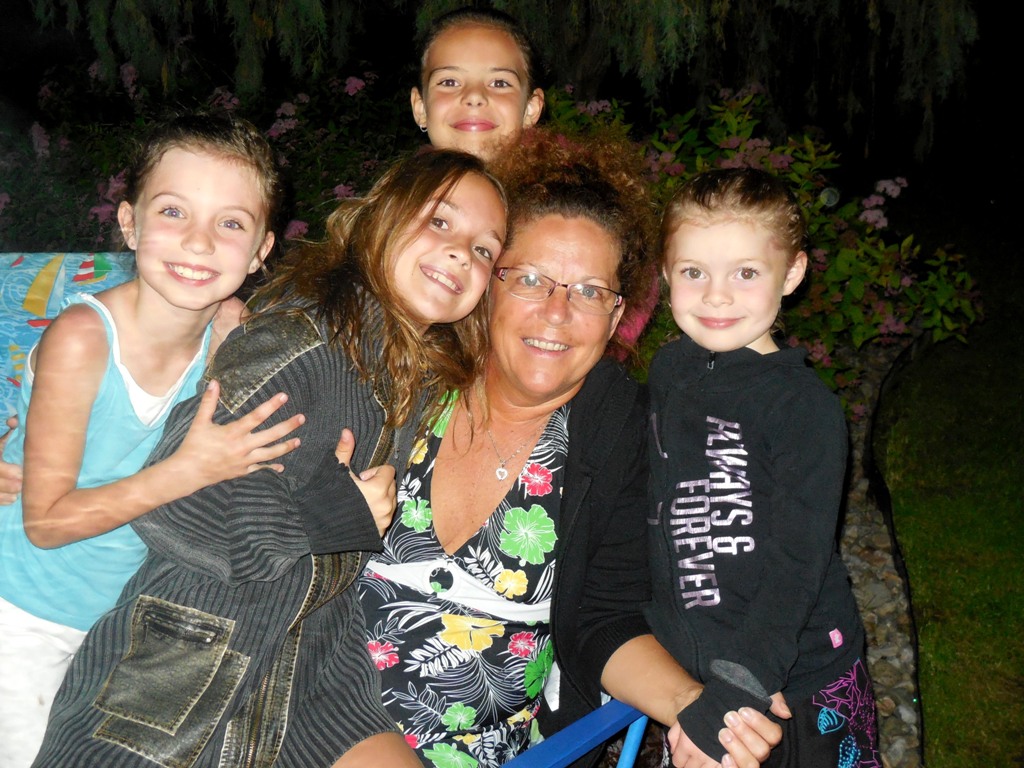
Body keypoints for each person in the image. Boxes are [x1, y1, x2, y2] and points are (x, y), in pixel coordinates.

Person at [32, 147, 507, 768]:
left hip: (308, 671)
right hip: (178, 677)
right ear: (381, 218)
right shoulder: (298, 344)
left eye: (485, 249)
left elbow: (327, 574)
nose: (461, 253)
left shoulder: (403, 377)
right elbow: (176, 512)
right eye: (440, 221)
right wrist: (327, 515)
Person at [358, 129, 786, 768]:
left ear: (616, 317)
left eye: (589, 291)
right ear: (490, 284)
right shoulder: (405, 377)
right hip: (305, 707)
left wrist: (693, 704)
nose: (557, 312)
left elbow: (604, 617)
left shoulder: (622, 436)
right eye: (531, 279)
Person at [0, 113, 305, 768]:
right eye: (173, 212)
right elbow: (47, 524)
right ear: (130, 223)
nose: (198, 241)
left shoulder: (232, 335)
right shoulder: (84, 341)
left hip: (129, 622)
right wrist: (188, 470)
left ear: (260, 251)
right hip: (27, 612)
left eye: (230, 223)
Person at [645, 167, 881, 767]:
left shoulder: (803, 409)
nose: (716, 296)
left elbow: (797, 565)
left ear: (792, 273)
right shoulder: (668, 374)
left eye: (746, 273)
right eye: (693, 272)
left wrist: (739, 687)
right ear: (665, 274)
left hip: (800, 679)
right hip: (700, 671)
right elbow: (660, 509)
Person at [410, 7, 545, 163]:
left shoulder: (564, 177)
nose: (474, 96)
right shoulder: (400, 179)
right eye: (449, 82)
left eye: (499, 83)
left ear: (531, 109)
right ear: (420, 108)